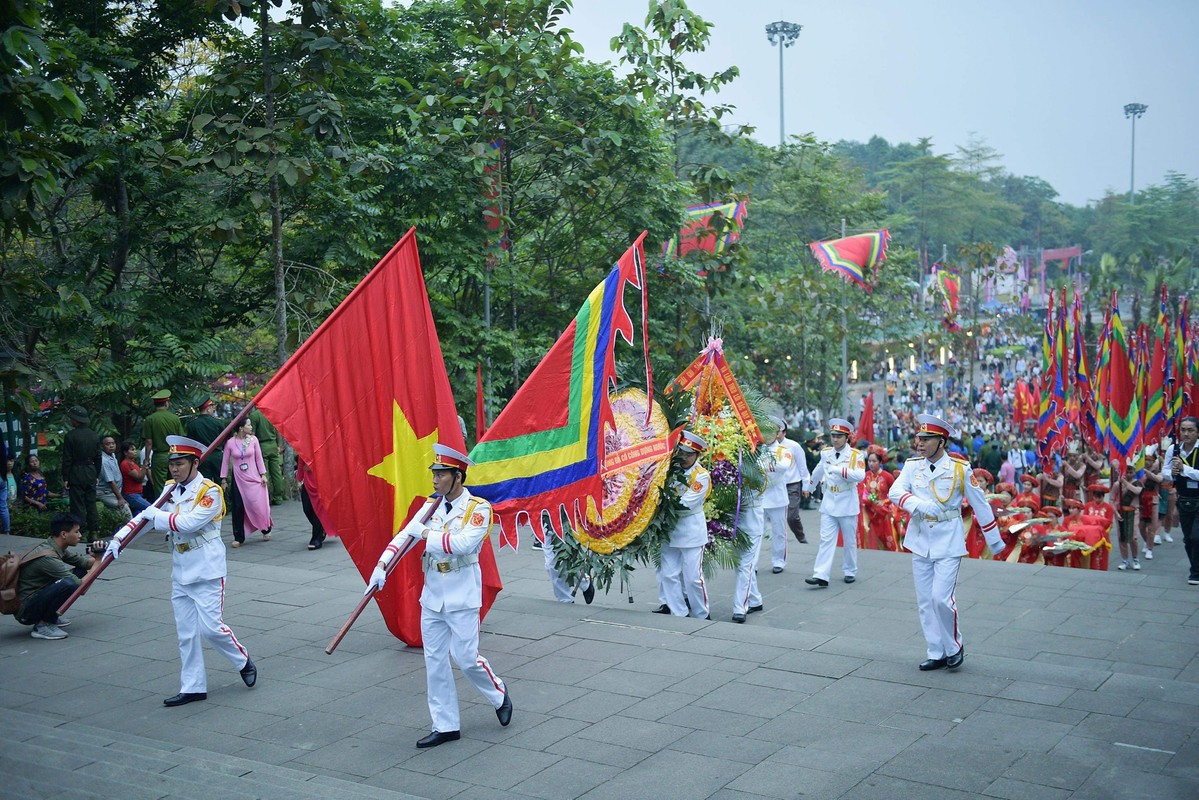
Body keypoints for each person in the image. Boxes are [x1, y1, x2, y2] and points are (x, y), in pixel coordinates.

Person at [365, 443, 511, 748]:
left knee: (466, 659)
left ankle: (497, 693)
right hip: (432, 595)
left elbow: (462, 544)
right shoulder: (430, 506)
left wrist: (425, 535)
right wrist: (382, 566)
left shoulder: (478, 509)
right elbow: (405, 536)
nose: (435, 480)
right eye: (434, 474)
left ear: (458, 477)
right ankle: (445, 725)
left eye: (441, 474)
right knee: (434, 661)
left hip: (462, 595)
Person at [105, 435, 257, 706]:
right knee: (186, 633)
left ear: (195, 462)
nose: (174, 469)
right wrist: (118, 539)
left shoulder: (208, 491)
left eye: (180, 463)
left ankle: (242, 659)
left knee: (211, 629)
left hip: (207, 569)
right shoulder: (169, 490)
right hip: (181, 569)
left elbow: (188, 523)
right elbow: (143, 520)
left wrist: (155, 515)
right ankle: (193, 686)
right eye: (172, 464)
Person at [889, 414, 1004, 671]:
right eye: (919, 438)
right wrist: (919, 505)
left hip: (948, 540)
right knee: (925, 601)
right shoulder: (912, 466)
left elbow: (980, 505)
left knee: (941, 598)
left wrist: (994, 542)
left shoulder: (960, 469)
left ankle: (954, 646)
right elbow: (894, 491)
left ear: (941, 442)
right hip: (920, 540)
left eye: (927, 439)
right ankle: (936, 650)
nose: (920, 443)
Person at [15, 512, 100, 640]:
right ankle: (43, 625)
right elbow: (80, 588)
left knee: (79, 571)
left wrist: (105, 554)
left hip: (37, 598)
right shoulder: (47, 558)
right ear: (64, 534)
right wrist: (99, 562)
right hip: (26, 611)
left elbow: (85, 563)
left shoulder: (54, 546)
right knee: (68, 584)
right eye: (76, 532)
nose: (80, 535)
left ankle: (51, 617)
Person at [656, 430, 712, 618]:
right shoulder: (670, 470)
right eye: (682, 453)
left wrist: (657, 504)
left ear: (697, 454)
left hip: (691, 531)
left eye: (689, 454)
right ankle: (678, 612)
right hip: (669, 530)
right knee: (669, 575)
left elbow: (685, 504)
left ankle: (701, 613)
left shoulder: (701, 476)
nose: (685, 457)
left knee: (693, 578)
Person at [805, 419, 866, 587]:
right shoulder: (826, 453)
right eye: (833, 436)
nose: (835, 439)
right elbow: (819, 471)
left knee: (849, 540)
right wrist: (809, 487)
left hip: (847, 501)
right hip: (830, 501)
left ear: (847, 437)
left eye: (839, 436)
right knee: (826, 539)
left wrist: (839, 470)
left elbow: (860, 476)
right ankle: (821, 574)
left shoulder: (856, 455)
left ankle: (849, 570)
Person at [220, 417, 272, 547]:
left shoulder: (254, 440)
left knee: (257, 504)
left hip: (253, 477)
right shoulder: (230, 443)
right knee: (238, 507)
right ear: (241, 428)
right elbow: (225, 462)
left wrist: (263, 474)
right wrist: (224, 479)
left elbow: (259, 458)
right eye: (249, 425)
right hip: (238, 479)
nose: (251, 427)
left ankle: (266, 528)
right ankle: (239, 537)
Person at [1162, 417, 1199, 585]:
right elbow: (1165, 473)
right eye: (1183, 430)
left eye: (1190, 430)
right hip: (1183, 499)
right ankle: (1195, 566)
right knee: (1188, 538)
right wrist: (1174, 473)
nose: (1186, 433)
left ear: (1197, 432)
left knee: (1197, 537)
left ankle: (1195, 572)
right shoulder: (1173, 449)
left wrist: (1185, 470)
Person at [61, 405, 102, 535]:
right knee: (91, 503)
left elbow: (67, 458)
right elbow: (98, 457)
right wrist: (96, 473)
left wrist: (66, 477)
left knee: (77, 505)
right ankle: (94, 531)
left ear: (75, 420)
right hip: (90, 472)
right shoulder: (94, 435)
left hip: (76, 473)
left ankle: (80, 532)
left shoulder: (70, 436)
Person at [762, 424, 796, 573]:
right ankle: (752, 563)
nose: (767, 435)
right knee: (755, 531)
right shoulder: (756, 449)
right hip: (760, 495)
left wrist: (764, 465)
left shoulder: (784, 450)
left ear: (777, 434)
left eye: (771, 432)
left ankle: (778, 561)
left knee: (779, 531)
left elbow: (784, 466)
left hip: (777, 496)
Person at [142, 389, 184, 496]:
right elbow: (180, 439)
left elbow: (148, 442)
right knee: (176, 484)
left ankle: (162, 510)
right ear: (166, 403)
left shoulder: (150, 419)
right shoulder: (175, 418)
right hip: (174, 455)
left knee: (160, 487)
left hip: (159, 457)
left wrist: (146, 460)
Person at [858, 445, 897, 551]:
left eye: (874, 461)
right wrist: (865, 498)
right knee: (865, 530)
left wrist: (885, 501)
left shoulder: (887, 476)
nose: (871, 463)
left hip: (883, 511)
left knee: (885, 538)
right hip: (867, 510)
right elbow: (861, 491)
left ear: (880, 462)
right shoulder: (864, 476)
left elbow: (895, 494)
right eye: (869, 461)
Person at [779, 420, 811, 544]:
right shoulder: (768, 445)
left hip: (792, 485)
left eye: (779, 431)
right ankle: (780, 539)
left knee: (791, 516)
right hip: (776, 485)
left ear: (784, 432)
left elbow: (802, 467)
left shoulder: (794, 446)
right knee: (777, 517)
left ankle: (800, 535)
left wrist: (806, 486)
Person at [249, 408, 285, 504]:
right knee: (276, 472)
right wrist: (279, 445)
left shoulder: (254, 415)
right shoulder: (271, 412)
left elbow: (252, 434)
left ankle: (266, 497)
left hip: (261, 446)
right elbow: (278, 431)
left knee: (264, 473)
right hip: (273, 444)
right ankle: (278, 497)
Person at [185, 397, 225, 483]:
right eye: (212, 408)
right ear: (208, 409)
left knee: (204, 483)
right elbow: (225, 438)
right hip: (217, 456)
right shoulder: (218, 422)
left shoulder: (192, 424)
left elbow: (190, 442)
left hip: (202, 457)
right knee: (221, 483)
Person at [95, 435, 130, 519]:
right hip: (106, 493)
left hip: (115, 492)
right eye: (108, 444)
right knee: (125, 510)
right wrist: (120, 498)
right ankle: (132, 531)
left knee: (115, 517)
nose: (111, 446)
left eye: (113, 443)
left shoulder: (112, 455)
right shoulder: (104, 461)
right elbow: (111, 481)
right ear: (102, 446)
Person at [297, 459, 326, 550]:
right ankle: (322, 528)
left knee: (317, 510)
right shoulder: (304, 445)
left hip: (321, 481)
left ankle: (316, 539)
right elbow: (301, 462)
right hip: (308, 482)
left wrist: (314, 466)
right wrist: (299, 478)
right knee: (307, 508)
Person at [119, 441, 152, 514]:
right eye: (132, 450)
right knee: (150, 509)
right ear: (125, 452)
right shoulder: (126, 464)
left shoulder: (132, 463)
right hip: (131, 495)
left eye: (135, 449)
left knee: (138, 516)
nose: (135, 452)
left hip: (137, 493)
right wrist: (144, 466)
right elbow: (139, 478)